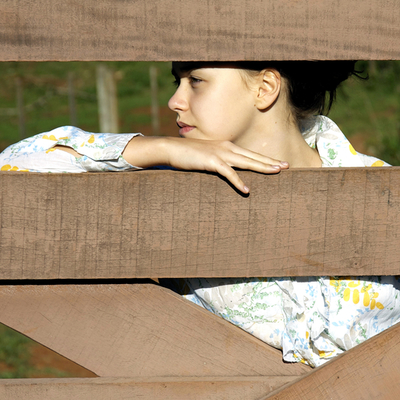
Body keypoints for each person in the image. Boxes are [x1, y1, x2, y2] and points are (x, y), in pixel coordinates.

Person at [1, 61, 399, 367]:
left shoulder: (383, 188)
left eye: (195, 80)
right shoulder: (169, 196)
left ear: (265, 88)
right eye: (177, 81)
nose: (175, 100)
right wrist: (159, 149)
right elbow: (14, 168)